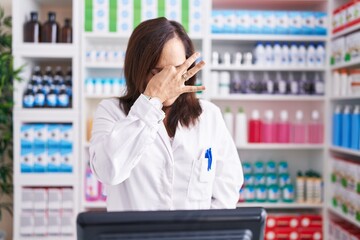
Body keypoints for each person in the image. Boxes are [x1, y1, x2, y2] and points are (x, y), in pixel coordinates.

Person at [89, 17, 243, 211]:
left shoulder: (209, 115)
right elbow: (108, 171)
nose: (169, 81)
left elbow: (227, 187)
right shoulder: (112, 111)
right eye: (157, 73)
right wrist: (151, 102)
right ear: (137, 69)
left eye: (177, 70)